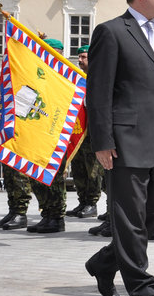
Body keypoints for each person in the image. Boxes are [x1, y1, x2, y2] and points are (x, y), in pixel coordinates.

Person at [84, 0, 154, 296]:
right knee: (129, 218)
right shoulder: (111, 32)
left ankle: (103, 261)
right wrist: (102, 140)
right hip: (125, 142)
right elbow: (97, 92)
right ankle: (143, 290)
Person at [27, 38, 69, 234]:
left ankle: (56, 217)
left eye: (51, 51)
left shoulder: (66, 74)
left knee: (54, 176)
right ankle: (47, 214)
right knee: (37, 177)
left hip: (56, 132)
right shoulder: (39, 72)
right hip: (39, 130)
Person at [67, 45, 103, 220]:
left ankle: (92, 203)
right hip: (78, 131)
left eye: (84, 57)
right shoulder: (76, 79)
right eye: (79, 57)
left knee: (93, 171)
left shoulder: (98, 78)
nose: (80, 60)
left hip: (92, 133)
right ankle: (82, 201)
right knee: (78, 168)